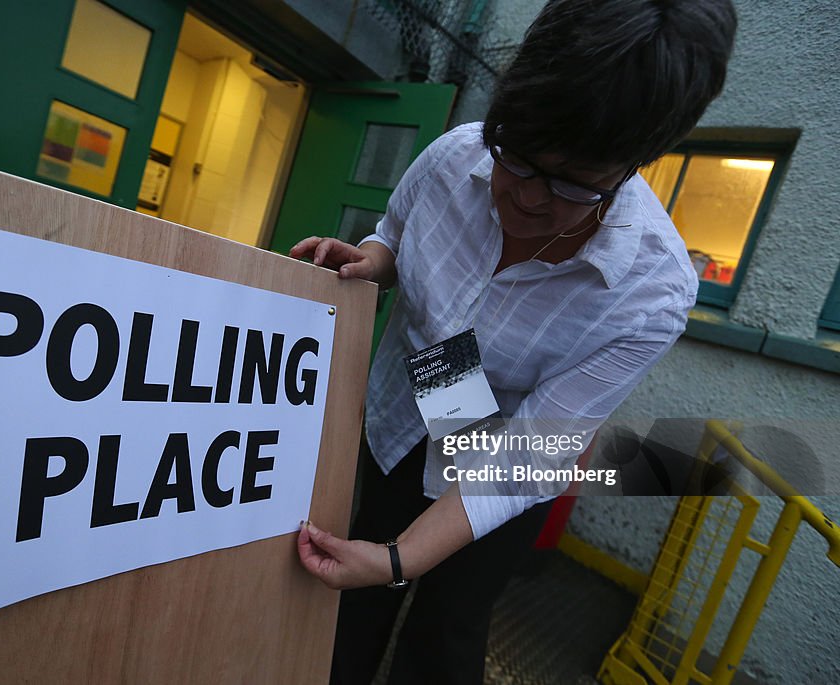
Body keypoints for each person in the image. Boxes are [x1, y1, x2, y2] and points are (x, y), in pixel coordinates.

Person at [290, 1, 738, 683]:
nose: (527, 198)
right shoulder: (454, 157)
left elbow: (523, 456)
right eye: (517, 159)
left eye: (572, 185)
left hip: (506, 454)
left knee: (447, 634)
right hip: (403, 415)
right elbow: (396, 230)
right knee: (343, 617)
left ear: (633, 164)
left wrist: (402, 557)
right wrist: (373, 262)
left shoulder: (651, 291)